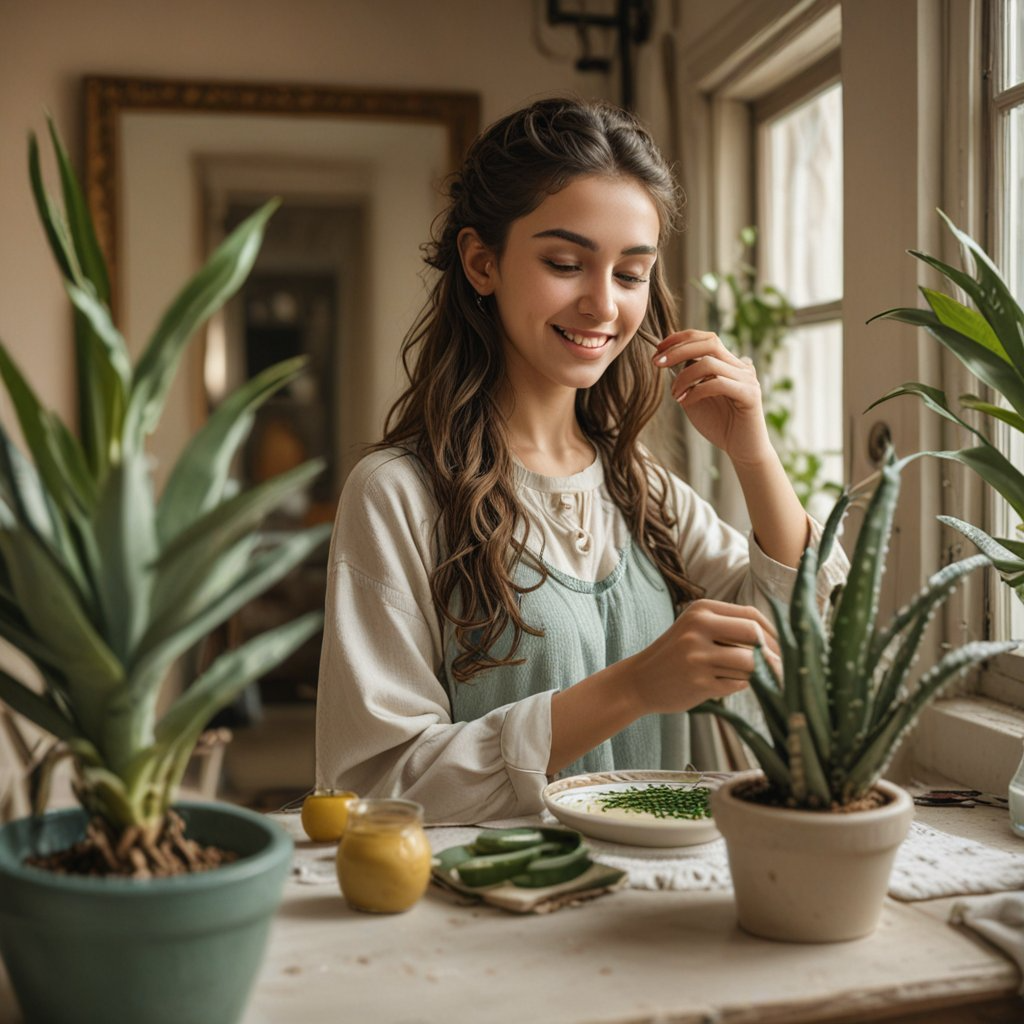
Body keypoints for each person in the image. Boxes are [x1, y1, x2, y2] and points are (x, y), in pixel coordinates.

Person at [314, 97, 847, 823]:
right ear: (481, 261)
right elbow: (375, 783)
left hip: (653, 907)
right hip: (495, 914)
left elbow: (800, 637)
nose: (602, 304)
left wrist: (754, 454)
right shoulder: (397, 497)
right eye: (566, 263)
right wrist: (632, 689)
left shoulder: (644, 492)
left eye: (631, 274)